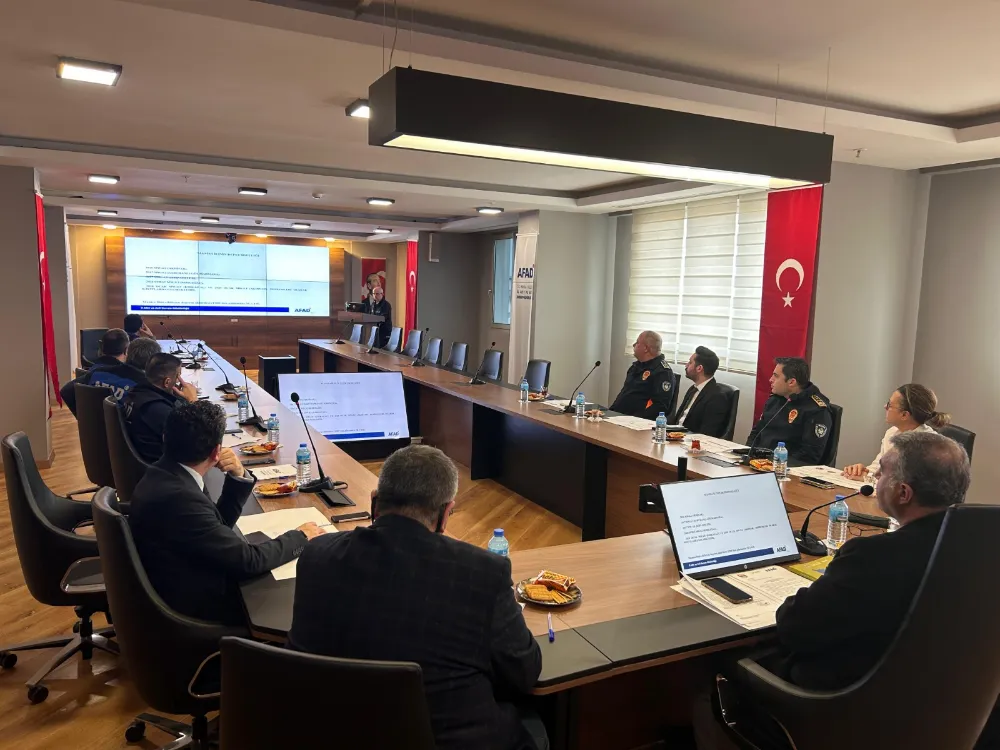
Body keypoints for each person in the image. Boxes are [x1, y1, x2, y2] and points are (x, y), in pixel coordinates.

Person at [693, 431, 972, 749]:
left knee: (709, 673)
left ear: (903, 492)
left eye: (882, 473)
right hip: (938, 709)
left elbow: (795, 629)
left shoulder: (874, 557)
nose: (875, 479)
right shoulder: (981, 549)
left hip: (842, 705)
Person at [289, 445, 546, 750]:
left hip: (329, 734)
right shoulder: (484, 573)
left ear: (375, 501)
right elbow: (523, 673)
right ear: (446, 513)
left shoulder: (317, 555)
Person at [129, 401, 323, 626]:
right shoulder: (180, 497)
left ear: (166, 438)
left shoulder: (167, 472)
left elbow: (216, 524)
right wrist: (301, 537)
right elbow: (248, 561)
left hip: (180, 581)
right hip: (193, 611)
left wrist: (238, 477)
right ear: (216, 452)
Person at [843, 383, 950, 480]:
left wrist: (871, 479)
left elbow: (904, 484)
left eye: (889, 405)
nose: (885, 407)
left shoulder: (926, 446)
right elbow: (878, 468)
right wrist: (862, 472)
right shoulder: (892, 432)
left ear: (904, 415)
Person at [746, 357, 832, 466]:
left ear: (791, 382)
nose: (771, 379)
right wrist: (747, 455)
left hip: (785, 468)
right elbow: (756, 432)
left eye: (776, 376)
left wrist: (772, 465)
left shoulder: (816, 410)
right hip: (758, 463)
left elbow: (808, 456)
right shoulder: (775, 399)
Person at [122, 353, 198, 463]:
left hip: (141, 459)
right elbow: (196, 437)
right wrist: (193, 401)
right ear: (167, 382)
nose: (179, 382)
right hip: (161, 466)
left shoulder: (136, 392)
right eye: (178, 377)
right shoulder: (159, 409)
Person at [59, 329, 149, 415]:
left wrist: (83, 418)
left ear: (101, 346)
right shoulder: (128, 377)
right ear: (126, 350)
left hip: (95, 423)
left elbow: (66, 391)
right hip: (117, 425)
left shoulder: (94, 372)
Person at [609, 331, 676, 419]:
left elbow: (660, 406)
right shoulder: (636, 367)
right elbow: (624, 394)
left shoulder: (663, 373)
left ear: (645, 348)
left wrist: (633, 419)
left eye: (637, 342)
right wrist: (610, 412)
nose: (633, 345)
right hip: (620, 417)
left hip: (636, 421)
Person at [675, 346, 731, 438]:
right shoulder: (693, 389)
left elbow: (707, 434)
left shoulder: (717, 397)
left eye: (690, 362)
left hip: (691, 442)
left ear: (699, 368)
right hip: (675, 436)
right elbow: (677, 420)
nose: (686, 365)